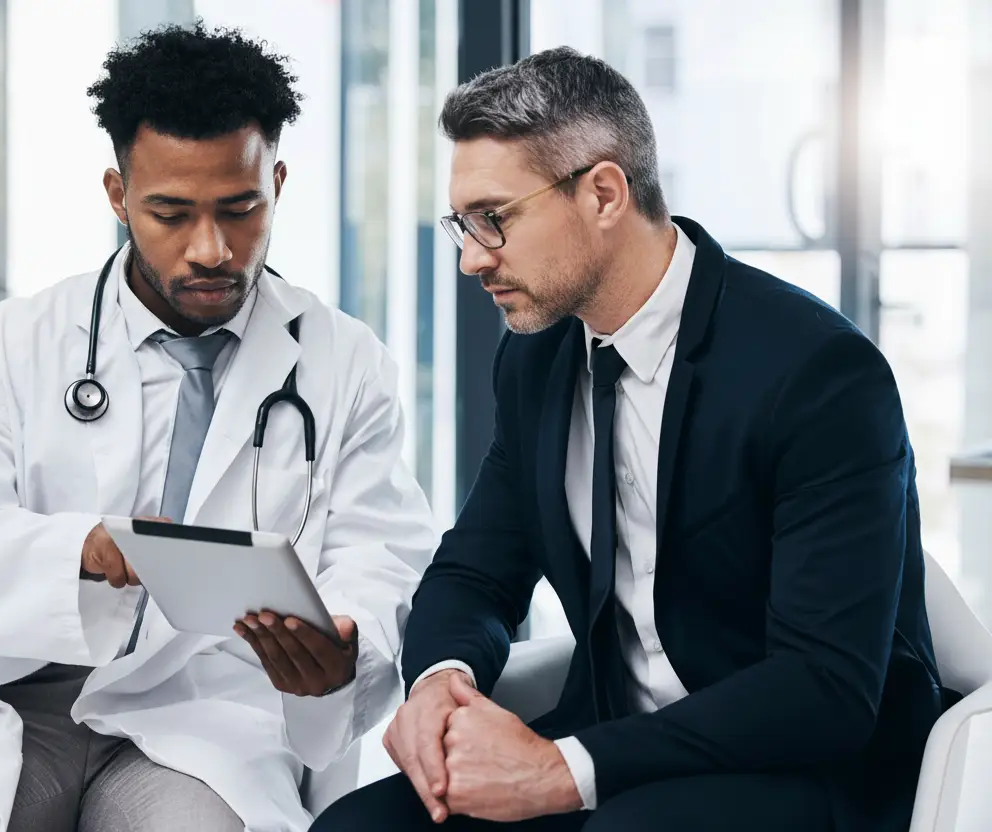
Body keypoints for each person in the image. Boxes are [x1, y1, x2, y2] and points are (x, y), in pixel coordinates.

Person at [313, 47, 950, 832]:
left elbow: (823, 687)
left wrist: (563, 770)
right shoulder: (536, 357)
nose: (472, 258)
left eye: (495, 220)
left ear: (604, 194)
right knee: (356, 827)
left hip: (803, 769)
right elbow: (477, 571)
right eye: (461, 225)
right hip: (615, 747)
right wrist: (439, 681)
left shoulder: (817, 374)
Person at [0, 23, 435, 832]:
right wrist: (83, 552)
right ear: (118, 196)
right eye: (171, 213)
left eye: (240, 208)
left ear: (277, 182)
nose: (210, 249)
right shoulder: (14, 343)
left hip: (206, 716)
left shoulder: (344, 362)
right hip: (2, 697)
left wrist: (347, 647)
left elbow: (382, 557)